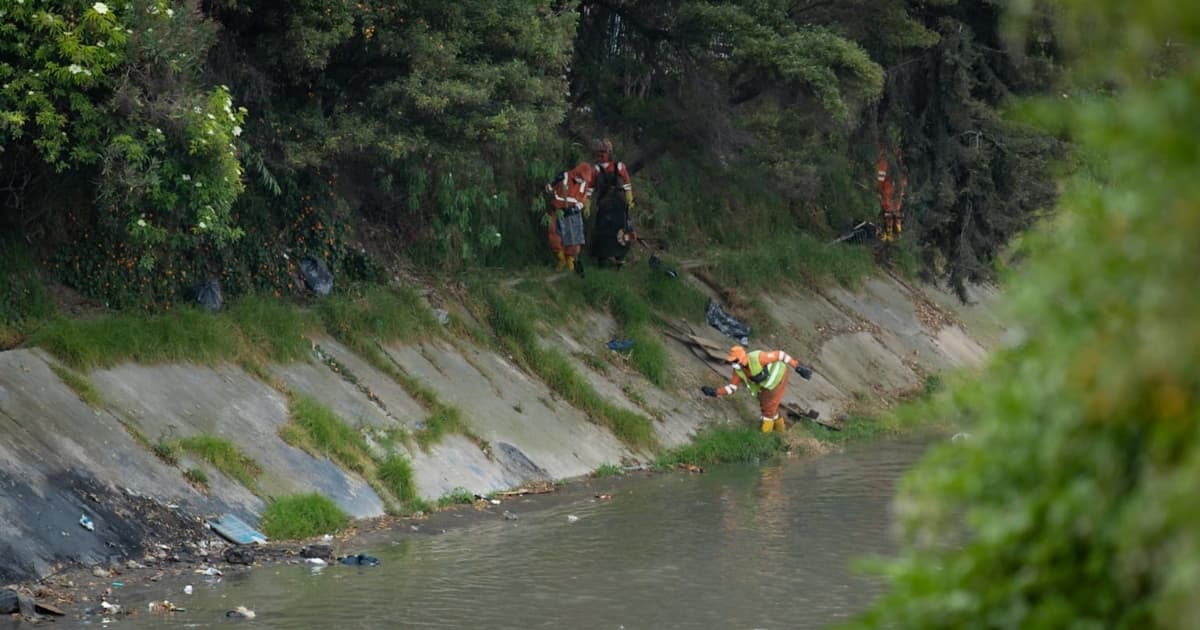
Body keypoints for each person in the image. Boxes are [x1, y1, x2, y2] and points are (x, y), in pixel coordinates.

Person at [700, 345, 814, 432]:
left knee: (767, 411)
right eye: (731, 361)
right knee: (769, 408)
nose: (733, 364)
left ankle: (765, 435)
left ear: (742, 358)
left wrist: (798, 368)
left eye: (735, 361)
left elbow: (780, 355)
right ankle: (781, 430)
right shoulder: (738, 371)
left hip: (779, 377)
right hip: (766, 386)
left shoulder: (758, 358)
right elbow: (732, 388)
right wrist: (715, 392)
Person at [588, 138, 636, 267]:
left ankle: (620, 256)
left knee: (623, 229)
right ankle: (602, 257)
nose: (601, 155)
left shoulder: (619, 166)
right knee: (602, 231)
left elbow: (627, 184)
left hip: (618, 203)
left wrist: (629, 198)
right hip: (605, 203)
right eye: (599, 152)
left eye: (603, 152)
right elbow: (590, 188)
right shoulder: (596, 169)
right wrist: (586, 203)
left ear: (609, 152)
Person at [545, 160, 595, 273]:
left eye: (584, 179)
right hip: (557, 210)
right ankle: (561, 259)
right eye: (580, 177)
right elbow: (548, 189)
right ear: (576, 173)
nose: (581, 180)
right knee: (554, 235)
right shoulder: (564, 177)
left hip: (573, 213)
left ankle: (571, 261)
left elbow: (583, 199)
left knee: (574, 239)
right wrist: (554, 182)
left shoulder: (584, 183)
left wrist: (575, 208)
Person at [875, 142, 907, 242]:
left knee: (887, 212)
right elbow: (903, 179)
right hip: (895, 190)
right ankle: (895, 233)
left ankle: (889, 234)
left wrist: (878, 189)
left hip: (888, 190)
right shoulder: (899, 162)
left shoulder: (885, 161)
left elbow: (880, 178)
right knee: (894, 211)